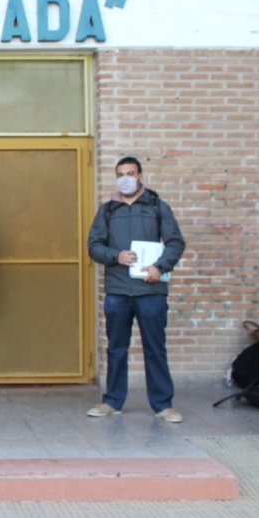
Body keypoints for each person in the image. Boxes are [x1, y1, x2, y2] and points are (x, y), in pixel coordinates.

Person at [86, 157, 187, 423]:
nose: (125, 178)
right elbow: (94, 245)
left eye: (130, 173)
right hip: (118, 291)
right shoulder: (107, 210)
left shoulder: (157, 206)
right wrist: (114, 255)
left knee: (155, 347)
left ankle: (163, 404)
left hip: (151, 291)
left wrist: (160, 266)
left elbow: (175, 242)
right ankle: (112, 401)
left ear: (140, 175)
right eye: (120, 174)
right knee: (116, 348)